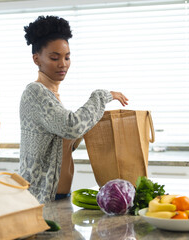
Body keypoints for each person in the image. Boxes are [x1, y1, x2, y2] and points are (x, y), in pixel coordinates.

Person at [20, 16, 128, 203]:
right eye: (55, 57)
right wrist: (101, 96)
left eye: (67, 57)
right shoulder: (35, 92)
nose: (63, 64)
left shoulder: (53, 96)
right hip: (41, 197)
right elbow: (72, 126)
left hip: (60, 195)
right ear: (36, 59)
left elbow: (66, 139)